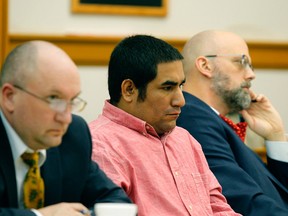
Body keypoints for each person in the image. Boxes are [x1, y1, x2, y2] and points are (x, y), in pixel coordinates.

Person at [89, 34, 241, 216]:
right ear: (129, 90)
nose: (181, 100)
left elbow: (217, 207)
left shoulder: (185, 139)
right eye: (168, 88)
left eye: (181, 86)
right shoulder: (100, 145)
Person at [0, 40, 131, 216]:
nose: (66, 118)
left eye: (72, 101)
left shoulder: (73, 135)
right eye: (54, 99)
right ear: (9, 97)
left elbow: (116, 201)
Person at [177, 30, 288, 215]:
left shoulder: (210, 119)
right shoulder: (193, 117)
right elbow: (242, 200)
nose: (251, 75)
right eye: (241, 62)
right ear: (206, 66)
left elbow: (279, 196)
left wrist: (275, 134)